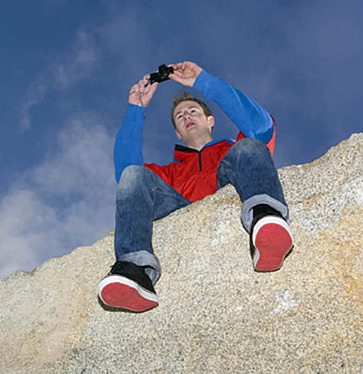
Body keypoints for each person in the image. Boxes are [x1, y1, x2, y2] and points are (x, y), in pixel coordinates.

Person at [97, 61, 294, 313]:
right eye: (180, 116)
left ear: (210, 120)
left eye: (192, 111)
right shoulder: (168, 173)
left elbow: (262, 125)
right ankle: (136, 270)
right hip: (176, 199)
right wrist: (135, 110)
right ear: (178, 133)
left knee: (251, 146)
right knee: (133, 175)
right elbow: (126, 170)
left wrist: (203, 82)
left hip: (228, 179)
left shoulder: (232, 150)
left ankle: (266, 221)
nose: (186, 116)